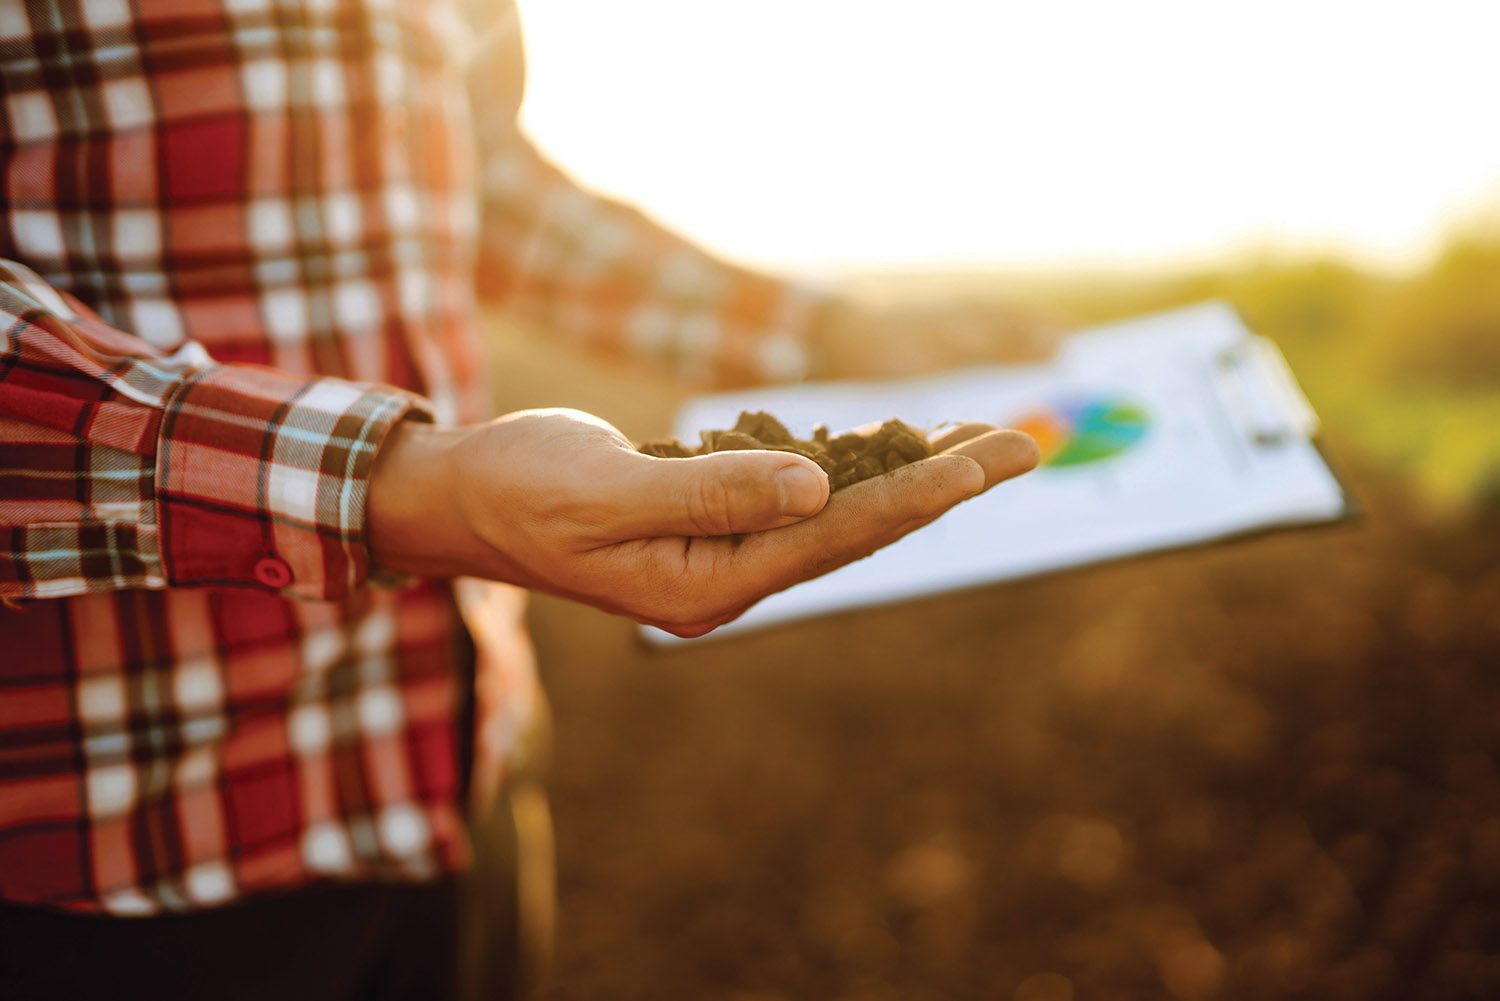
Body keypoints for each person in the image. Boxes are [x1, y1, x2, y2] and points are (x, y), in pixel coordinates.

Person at [0, 1, 1051, 998]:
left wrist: (826, 335)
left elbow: (478, 181)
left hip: (460, 772)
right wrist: (403, 486)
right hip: (112, 841)